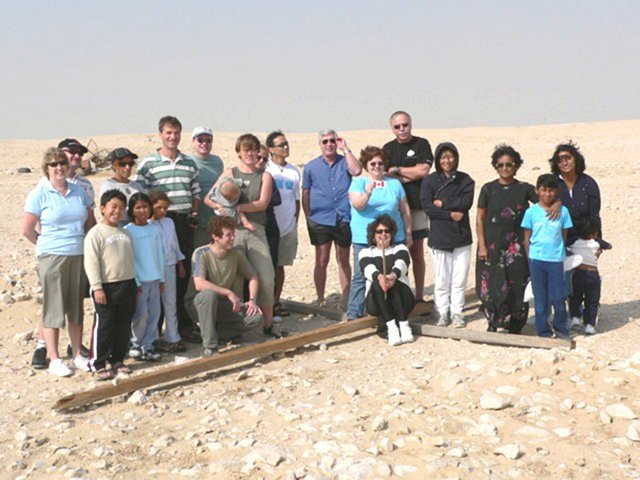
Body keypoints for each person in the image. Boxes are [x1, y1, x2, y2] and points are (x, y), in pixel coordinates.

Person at [21, 148, 93, 376]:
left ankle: (77, 355)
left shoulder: (79, 191)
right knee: (53, 308)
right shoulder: (39, 194)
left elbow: (89, 223)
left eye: (62, 162)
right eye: (54, 164)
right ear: (47, 168)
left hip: (78, 254)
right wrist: (46, 247)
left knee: (75, 307)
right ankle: (54, 358)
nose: (59, 167)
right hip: (52, 255)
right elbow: (27, 230)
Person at [205, 133, 283, 338]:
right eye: (245, 149)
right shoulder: (230, 172)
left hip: (256, 231)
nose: (249, 153)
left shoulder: (265, 176)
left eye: (252, 149)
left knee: (266, 277)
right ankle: (237, 325)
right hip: (232, 233)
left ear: (258, 151)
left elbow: (262, 203)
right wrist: (222, 208)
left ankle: (267, 324)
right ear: (238, 152)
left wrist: (237, 207)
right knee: (234, 280)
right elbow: (209, 198)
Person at [134, 116, 201, 343]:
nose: (172, 137)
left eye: (176, 133)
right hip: (156, 223)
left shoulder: (189, 163)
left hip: (182, 223)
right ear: (160, 134)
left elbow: (196, 193)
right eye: (168, 133)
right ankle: (155, 330)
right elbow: (140, 197)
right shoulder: (147, 164)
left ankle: (181, 326)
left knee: (181, 273)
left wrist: (193, 213)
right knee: (157, 273)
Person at [476, 145, 538, 333]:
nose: (505, 168)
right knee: (490, 285)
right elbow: (479, 217)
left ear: (516, 166)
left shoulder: (524, 189)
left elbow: (545, 202)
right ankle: (493, 322)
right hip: (491, 245)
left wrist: (557, 205)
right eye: (500, 165)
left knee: (517, 284)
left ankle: (515, 324)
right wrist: (482, 246)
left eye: (509, 165)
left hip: (516, 246)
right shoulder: (488, 189)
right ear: (495, 166)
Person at [346, 146, 411, 322]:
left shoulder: (394, 183)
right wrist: (368, 192)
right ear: (366, 165)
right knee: (362, 275)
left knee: (396, 272)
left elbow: (404, 209)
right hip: (364, 238)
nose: (376, 166)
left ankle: (397, 310)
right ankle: (354, 313)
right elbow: (358, 205)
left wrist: (409, 232)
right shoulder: (358, 183)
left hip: (393, 237)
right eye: (372, 163)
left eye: (380, 163)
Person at [185, 216, 264, 356]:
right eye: (229, 235)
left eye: (233, 234)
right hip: (200, 304)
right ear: (215, 236)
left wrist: (252, 300)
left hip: (225, 306)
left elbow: (253, 277)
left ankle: (220, 331)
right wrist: (228, 293)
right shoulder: (201, 253)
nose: (233, 238)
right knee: (209, 295)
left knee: (255, 318)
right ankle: (210, 346)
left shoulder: (237, 254)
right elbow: (199, 284)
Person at [302, 129, 362, 307]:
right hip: (320, 219)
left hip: (343, 217)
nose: (329, 144)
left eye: (332, 141)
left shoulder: (345, 162)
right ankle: (320, 299)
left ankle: (346, 298)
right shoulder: (311, 166)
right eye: (325, 141)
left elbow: (357, 171)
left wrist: (346, 149)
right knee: (321, 259)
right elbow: (306, 191)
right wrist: (308, 216)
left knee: (343, 259)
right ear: (320, 144)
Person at [84, 190, 137, 380]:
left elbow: (130, 259)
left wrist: (135, 283)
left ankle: (117, 359)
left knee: (123, 324)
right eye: (113, 207)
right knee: (104, 325)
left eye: (122, 208)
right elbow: (91, 262)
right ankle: (97, 362)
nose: (117, 211)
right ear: (103, 208)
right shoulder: (95, 234)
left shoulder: (126, 233)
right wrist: (97, 287)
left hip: (127, 284)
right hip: (106, 286)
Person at [420, 142, 475, 328]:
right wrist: (450, 214)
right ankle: (442, 312)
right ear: (437, 159)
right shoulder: (429, 181)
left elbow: (465, 203)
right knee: (442, 280)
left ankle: (457, 312)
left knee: (459, 280)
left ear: (456, 158)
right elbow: (427, 207)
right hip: (439, 237)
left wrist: (442, 203)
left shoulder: (466, 180)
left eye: (450, 156)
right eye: (443, 157)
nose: (447, 160)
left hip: (461, 237)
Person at [383, 111, 434, 302]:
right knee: (396, 253)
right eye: (397, 126)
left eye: (405, 125)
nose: (402, 129)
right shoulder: (387, 149)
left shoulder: (422, 144)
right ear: (392, 128)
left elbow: (423, 171)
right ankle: (399, 295)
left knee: (417, 252)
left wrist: (397, 171)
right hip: (395, 209)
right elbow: (385, 174)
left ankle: (419, 296)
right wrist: (407, 174)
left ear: (410, 125)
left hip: (417, 206)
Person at [521, 174, 573, 338]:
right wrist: (530, 258)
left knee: (558, 297)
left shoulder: (563, 212)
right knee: (541, 299)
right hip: (537, 260)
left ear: (556, 191)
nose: (547, 194)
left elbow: (563, 235)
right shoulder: (531, 212)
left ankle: (561, 328)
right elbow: (527, 237)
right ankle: (543, 331)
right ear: (537, 191)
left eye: (551, 190)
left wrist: (559, 251)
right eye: (544, 190)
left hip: (556, 260)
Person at [359, 215, 415, 345]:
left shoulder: (400, 248)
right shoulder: (366, 252)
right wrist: (379, 277)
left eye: (387, 231)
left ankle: (404, 325)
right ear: (373, 236)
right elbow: (367, 268)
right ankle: (392, 328)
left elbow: (402, 263)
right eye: (379, 231)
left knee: (394, 282)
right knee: (377, 284)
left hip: (402, 298)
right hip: (377, 302)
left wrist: (393, 276)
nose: (383, 234)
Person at [125, 193, 165, 361]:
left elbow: (159, 254)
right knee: (140, 314)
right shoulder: (128, 231)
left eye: (145, 207)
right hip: (139, 280)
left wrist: (162, 279)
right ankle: (136, 343)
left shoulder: (155, 229)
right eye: (138, 207)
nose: (142, 211)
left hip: (155, 279)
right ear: (132, 210)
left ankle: (148, 345)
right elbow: (129, 258)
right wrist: (135, 281)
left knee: (154, 313)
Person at [549, 141, 611, 250]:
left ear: (576, 159)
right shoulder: (551, 183)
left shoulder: (588, 183)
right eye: (560, 161)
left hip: (585, 237)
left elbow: (594, 214)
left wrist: (597, 240)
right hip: (559, 239)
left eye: (567, 158)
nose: (564, 163)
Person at [265, 131, 301, 317]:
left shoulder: (294, 171)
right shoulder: (265, 169)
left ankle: (276, 301)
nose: (286, 147)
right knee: (265, 266)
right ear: (271, 149)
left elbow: (296, 199)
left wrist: (295, 221)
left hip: (287, 225)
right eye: (281, 145)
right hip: (268, 225)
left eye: (286, 143)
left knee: (280, 266)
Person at [149, 190, 187, 353]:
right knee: (153, 305)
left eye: (165, 208)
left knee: (170, 302)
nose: (162, 211)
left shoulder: (169, 222)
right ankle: (152, 339)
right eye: (159, 208)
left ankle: (173, 337)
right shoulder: (147, 226)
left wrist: (180, 263)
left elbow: (174, 243)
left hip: (170, 265)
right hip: (153, 268)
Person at [567, 217, 602, 335]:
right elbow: (599, 253)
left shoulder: (575, 244)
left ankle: (575, 318)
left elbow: (568, 251)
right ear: (594, 233)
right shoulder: (596, 245)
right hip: (592, 274)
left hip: (577, 273)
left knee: (575, 296)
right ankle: (589, 325)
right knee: (592, 300)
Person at [191, 126, 224, 248]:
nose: (204, 143)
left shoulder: (217, 162)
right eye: (200, 140)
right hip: (196, 222)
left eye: (208, 140)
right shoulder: (188, 161)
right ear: (193, 142)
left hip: (214, 220)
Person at [98, 147, 145, 225]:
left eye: (130, 164)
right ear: (114, 165)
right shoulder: (108, 186)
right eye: (123, 164)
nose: (127, 167)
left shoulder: (137, 186)